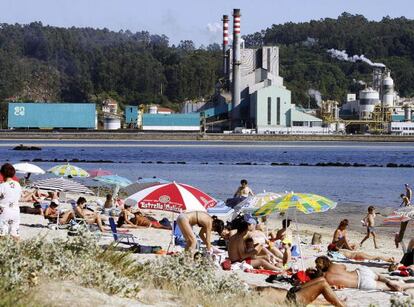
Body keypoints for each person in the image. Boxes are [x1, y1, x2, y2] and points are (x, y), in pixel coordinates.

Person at [315, 256, 414, 292]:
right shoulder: (334, 266)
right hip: (361, 272)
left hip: (361, 283)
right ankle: (390, 281)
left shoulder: (326, 280)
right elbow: (344, 267)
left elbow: (333, 288)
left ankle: (410, 284)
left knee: (391, 287)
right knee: (380, 277)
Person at [254, 277, 345, 307]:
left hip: (291, 292)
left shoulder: (250, 289)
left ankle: (335, 301)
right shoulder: (251, 298)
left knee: (321, 279)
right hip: (292, 300)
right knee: (323, 284)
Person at [0, 163, 22, 240]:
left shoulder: (2, 186)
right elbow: (19, 197)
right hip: (15, 211)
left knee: (2, 235)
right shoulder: (18, 185)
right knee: (15, 234)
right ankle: (19, 250)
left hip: (4, 212)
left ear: (2, 173)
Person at [328, 243, 394, 262]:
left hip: (358, 255)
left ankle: (388, 259)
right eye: (335, 246)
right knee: (374, 257)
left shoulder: (339, 252)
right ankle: (388, 259)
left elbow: (337, 257)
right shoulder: (341, 250)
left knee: (374, 258)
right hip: (358, 254)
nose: (337, 246)